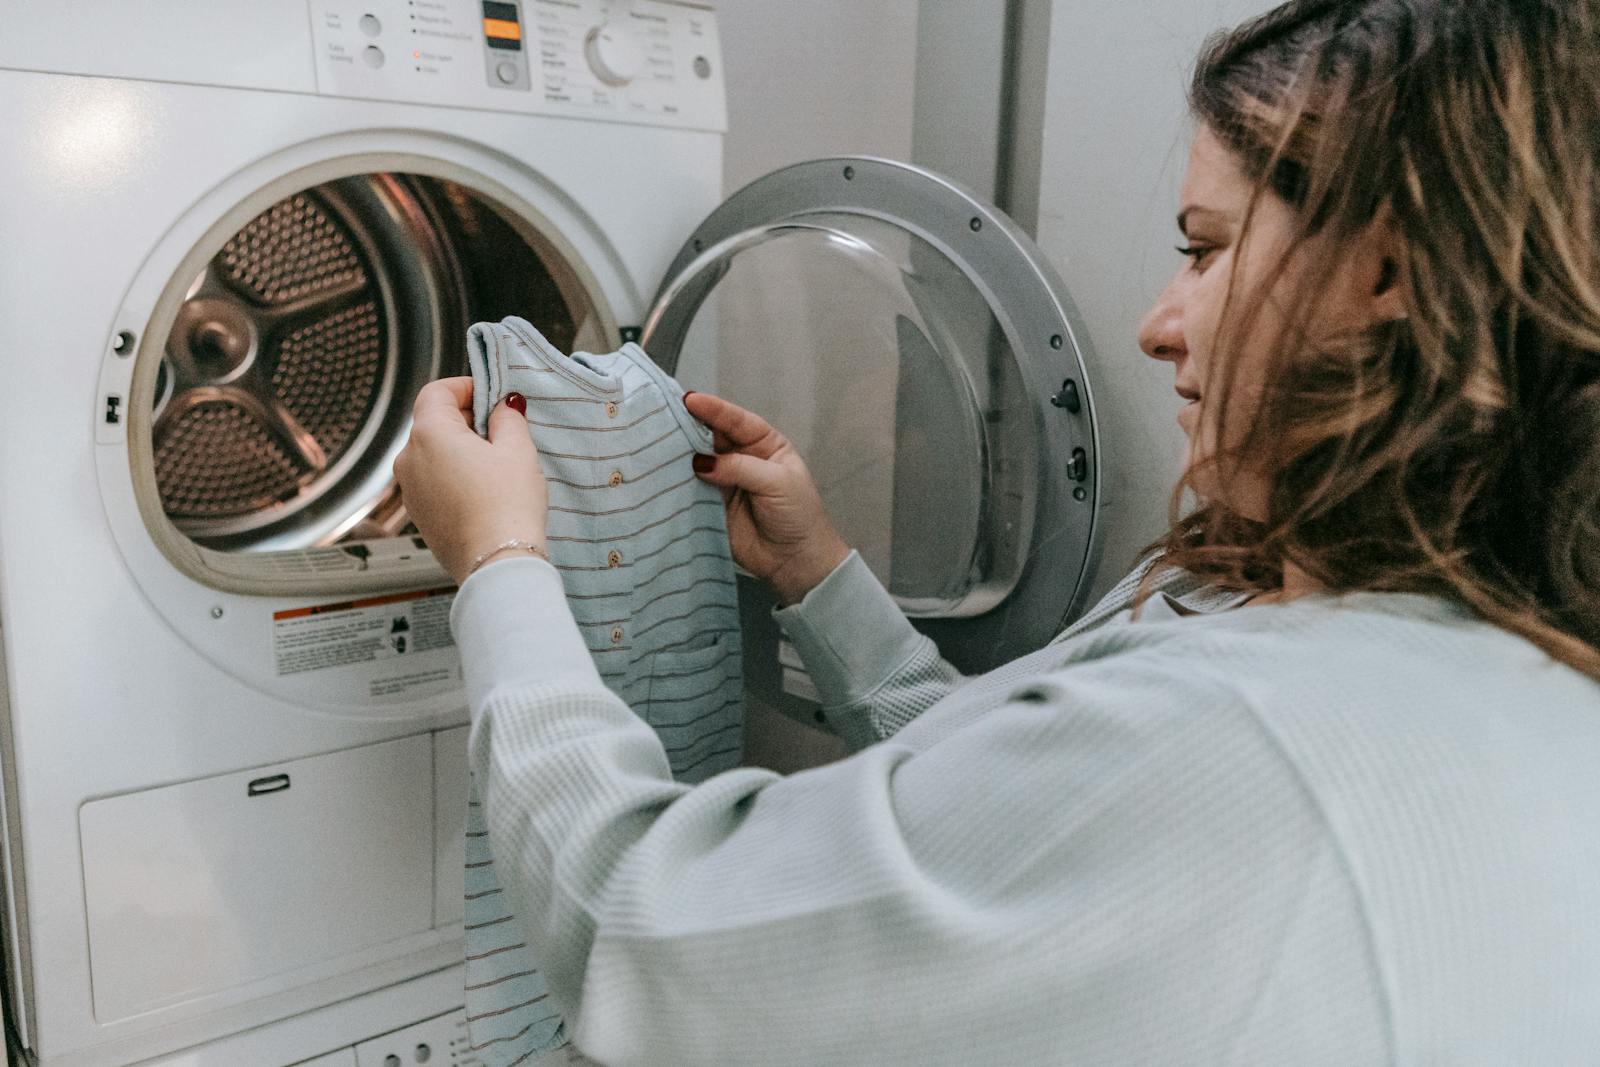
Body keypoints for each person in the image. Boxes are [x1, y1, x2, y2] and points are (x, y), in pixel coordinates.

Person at [392, 0, 1600, 1062]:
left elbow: (637, 928)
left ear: (1387, 264)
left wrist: (503, 562)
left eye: (1206, 248)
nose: (1157, 323)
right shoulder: (1475, 651)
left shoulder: (1245, 733)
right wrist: (821, 576)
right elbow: (1018, 830)